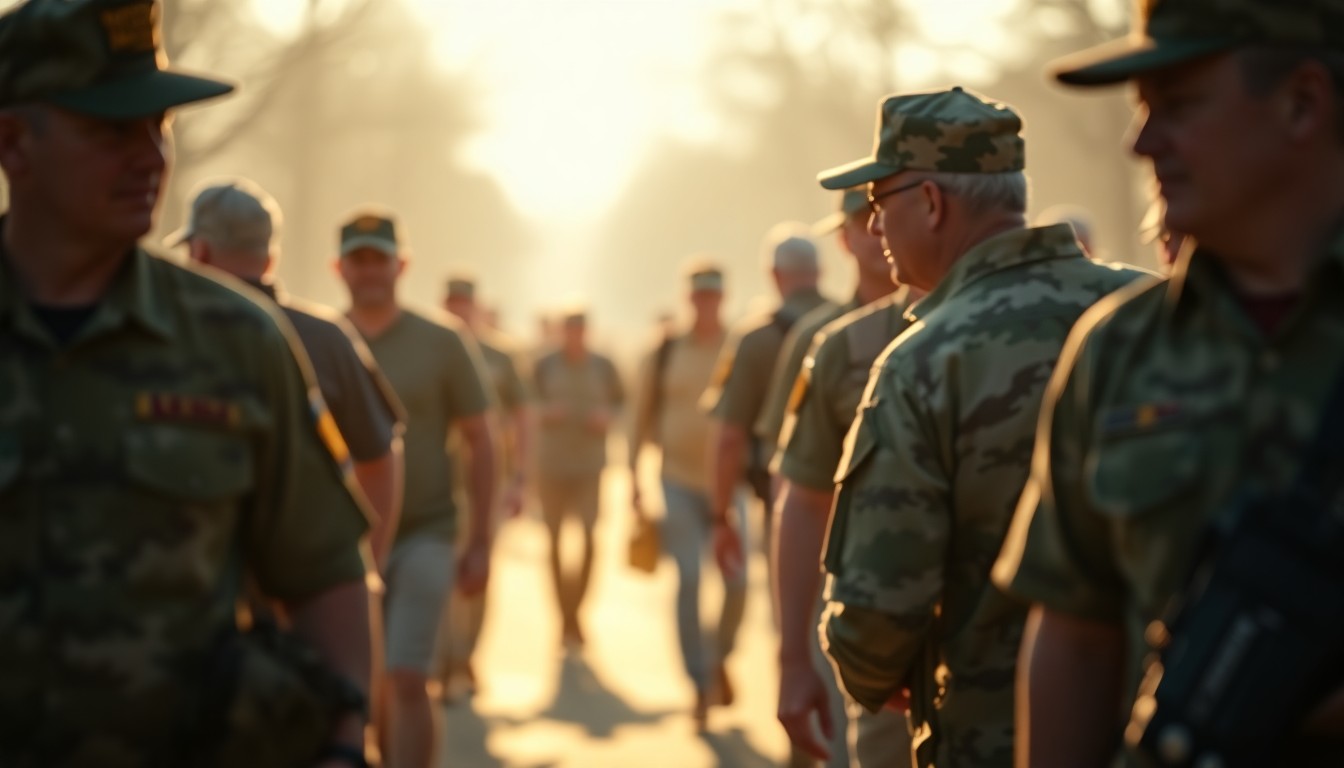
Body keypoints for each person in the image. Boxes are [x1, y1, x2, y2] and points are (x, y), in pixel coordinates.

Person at [0, 1, 374, 766]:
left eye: (158, 127)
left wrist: (341, 748)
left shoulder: (236, 340)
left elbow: (324, 571)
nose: (149, 158)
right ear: (13, 142)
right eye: (110, 130)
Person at [992, 1, 1344, 765]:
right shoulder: (1117, 350)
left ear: (1302, 103)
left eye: (1178, 106)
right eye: (1142, 110)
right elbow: (1075, 638)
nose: (1141, 141)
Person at [816, 86, 1150, 768]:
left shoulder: (923, 362)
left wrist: (865, 668)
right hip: (1183, 726)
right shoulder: (1149, 314)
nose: (873, 228)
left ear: (932, 204)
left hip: (999, 739)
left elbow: (876, 616)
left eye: (880, 205)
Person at [174, 179, 405, 570]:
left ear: (199, 252)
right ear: (270, 259)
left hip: (190, 572)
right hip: (305, 578)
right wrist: (366, 569)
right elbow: (380, 458)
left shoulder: (168, 333)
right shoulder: (328, 338)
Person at [337, 209, 497, 768]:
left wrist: (481, 542)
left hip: (427, 530)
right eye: (358, 260)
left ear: (401, 264)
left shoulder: (443, 342)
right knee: (365, 680)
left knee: (408, 674)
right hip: (345, 540)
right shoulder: (323, 339)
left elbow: (482, 439)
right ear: (339, 269)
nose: (370, 271)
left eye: (379, 259)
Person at [773, 188, 923, 768]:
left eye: (885, 215)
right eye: (865, 220)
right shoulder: (829, 342)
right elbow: (793, 490)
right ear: (846, 238)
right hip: (855, 591)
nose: (879, 230)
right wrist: (791, 648)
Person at [628, 261, 743, 730]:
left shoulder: (739, 346)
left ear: (723, 297)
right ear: (687, 298)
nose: (706, 302)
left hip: (728, 484)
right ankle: (698, 681)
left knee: (736, 582)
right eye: (698, 294)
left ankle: (719, 658)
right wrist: (634, 479)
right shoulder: (665, 351)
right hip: (674, 478)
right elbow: (639, 417)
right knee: (690, 578)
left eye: (713, 294)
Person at [702, 225, 833, 589]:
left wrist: (720, 516)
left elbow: (729, 437)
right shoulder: (851, 323)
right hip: (854, 504)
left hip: (784, 502)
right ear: (819, 272)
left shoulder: (753, 338)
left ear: (774, 275)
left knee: (793, 617)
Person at [436, 271, 532, 703]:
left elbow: (524, 417)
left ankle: (468, 653)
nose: (458, 309)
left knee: (478, 569)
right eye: (451, 301)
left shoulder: (501, 355)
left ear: (476, 305)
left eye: (464, 302)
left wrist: (521, 478)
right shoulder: (430, 345)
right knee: (443, 569)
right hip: (442, 480)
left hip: (489, 480)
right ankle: (446, 660)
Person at [533, 306, 624, 649]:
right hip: (552, 465)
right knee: (554, 541)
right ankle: (563, 615)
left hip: (589, 465)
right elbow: (526, 406)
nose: (575, 336)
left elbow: (623, 403)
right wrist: (546, 413)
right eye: (569, 329)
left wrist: (608, 416)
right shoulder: (544, 365)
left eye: (580, 330)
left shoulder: (604, 366)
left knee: (588, 538)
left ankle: (577, 610)